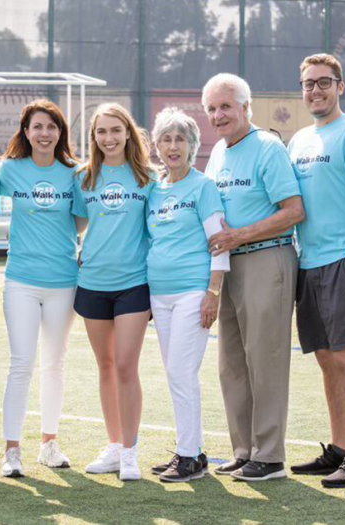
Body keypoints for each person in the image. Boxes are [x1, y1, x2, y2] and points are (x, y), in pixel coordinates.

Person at [202, 73, 304, 481]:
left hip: (266, 259)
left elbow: (293, 211)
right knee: (232, 362)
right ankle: (244, 450)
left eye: (226, 106)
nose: (218, 115)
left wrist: (238, 236)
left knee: (266, 360)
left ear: (246, 108)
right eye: (212, 108)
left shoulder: (267, 147)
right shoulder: (217, 154)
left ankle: (270, 455)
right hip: (228, 267)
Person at [288, 54, 345, 488]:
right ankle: (339, 449)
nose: (315, 90)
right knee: (326, 360)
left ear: (340, 86)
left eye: (324, 82)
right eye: (308, 84)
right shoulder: (300, 139)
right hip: (308, 262)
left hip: (344, 261)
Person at [0, 100, 81, 478]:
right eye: (37, 127)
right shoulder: (11, 169)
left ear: (60, 133)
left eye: (51, 127)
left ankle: (49, 443)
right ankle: (12, 450)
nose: (44, 133)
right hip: (21, 281)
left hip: (64, 282)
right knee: (21, 363)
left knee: (55, 364)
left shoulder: (75, 173)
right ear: (25, 132)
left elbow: (80, 222)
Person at [72, 103, 155, 481]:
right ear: (94, 137)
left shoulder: (148, 177)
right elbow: (73, 225)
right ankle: (114, 444)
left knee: (125, 365)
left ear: (128, 132)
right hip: (92, 283)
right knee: (105, 366)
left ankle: (131, 451)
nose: (108, 138)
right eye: (101, 132)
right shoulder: (83, 178)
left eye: (115, 130)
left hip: (134, 284)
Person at [146, 107, 229, 482]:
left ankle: (190, 456)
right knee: (175, 374)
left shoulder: (203, 186)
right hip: (158, 296)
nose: (173, 146)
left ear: (193, 145)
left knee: (182, 372)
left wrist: (213, 292)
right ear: (157, 146)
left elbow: (219, 243)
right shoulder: (154, 190)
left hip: (193, 292)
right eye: (166, 139)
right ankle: (188, 450)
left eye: (181, 139)